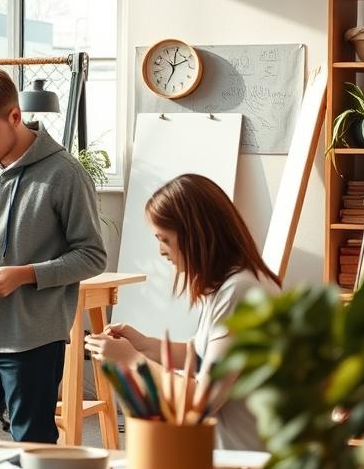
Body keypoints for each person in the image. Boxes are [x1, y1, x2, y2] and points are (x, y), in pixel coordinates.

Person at [0, 70, 107, 443]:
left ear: (15, 116)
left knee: (32, 445)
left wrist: (27, 274)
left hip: (33, 338)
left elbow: (93, 255)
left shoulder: (65, 174)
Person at [83, 173, 282, 451]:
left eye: (164, 239)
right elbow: (204, 355)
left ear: (194, 234)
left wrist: (132, 360)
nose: (161, 251)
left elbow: (202, 401)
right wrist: (144, 345)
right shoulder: (232, 284)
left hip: (250, 462)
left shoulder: (239, 292)